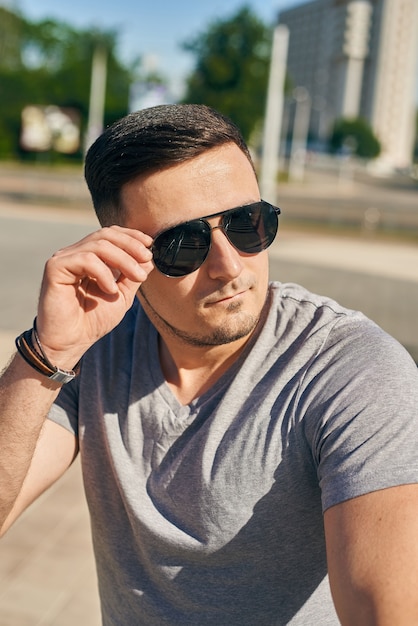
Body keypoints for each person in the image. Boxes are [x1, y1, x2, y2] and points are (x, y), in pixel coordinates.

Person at [1, 103, 418, 626]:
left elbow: (387, 610)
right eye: (185, 244)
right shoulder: (97, 349)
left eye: (248, 223)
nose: (229, 267)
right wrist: (48, 353)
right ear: (122, 255)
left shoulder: (350, 370)